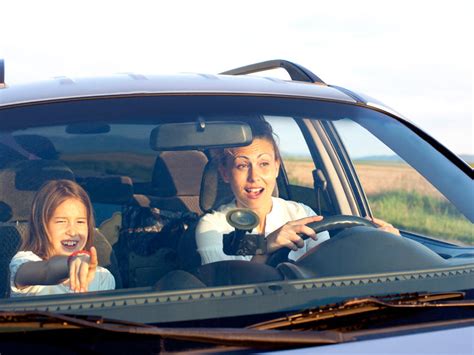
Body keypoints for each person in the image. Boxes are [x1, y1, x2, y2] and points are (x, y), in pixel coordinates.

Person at [196, 119, 399, 265]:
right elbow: (229, 292)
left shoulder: (301, 214)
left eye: (264, 164)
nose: (254, 176)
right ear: (224, 173)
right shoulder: (212, 227)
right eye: (242, 166)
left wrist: (377, 244)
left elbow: (326, 267)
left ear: (276, 167)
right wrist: (266, 246)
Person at [9, 179, 115, 297]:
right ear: (41, 225)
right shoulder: (23, 263)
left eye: (80, 222)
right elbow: (47, 271)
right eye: (61, 221)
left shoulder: (102, 277)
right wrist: (71, 262)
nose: (72, 231)